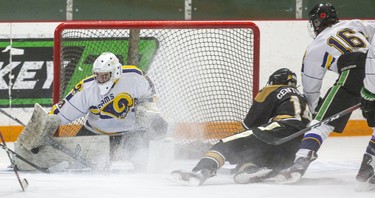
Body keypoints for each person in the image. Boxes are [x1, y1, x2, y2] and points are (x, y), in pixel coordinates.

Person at [275, 3, 375, 184]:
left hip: (354, 71)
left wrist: (314, 113)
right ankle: (369, 168)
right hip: (372, 66)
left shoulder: (315, 47)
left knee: (322, 124)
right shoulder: (355, 24)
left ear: (316, 23)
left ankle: (301, 160)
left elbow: (311, 88)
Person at [15, 52, 167, 170]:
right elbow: (59, 115)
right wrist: (41, 129)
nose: (100, 79)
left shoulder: (134, 76)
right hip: (97, 134)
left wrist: (151, 111)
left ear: (116, 72)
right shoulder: (87, 89)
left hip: (132, 133)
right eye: (98, 75)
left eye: (105, 75)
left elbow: (149, 94)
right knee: (87, 170)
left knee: (142, 169)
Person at [169, 68, 311, 186]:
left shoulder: (272, 90)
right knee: (253, 153)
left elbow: (250, 124)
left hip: (281, 128)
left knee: (226, 144)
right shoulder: (303, 97)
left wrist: (235, 142)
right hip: (299, 144)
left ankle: (202, 170)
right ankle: (252, 169)